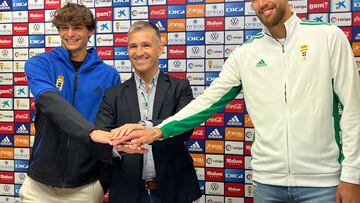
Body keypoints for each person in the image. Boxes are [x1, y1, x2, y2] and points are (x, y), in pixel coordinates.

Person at [108, 0, 360, 202]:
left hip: (323, 182)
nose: (263, 3)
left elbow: (353, 109)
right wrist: (157, 131)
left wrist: (352, 175)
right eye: (256, 0)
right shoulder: (246, 53)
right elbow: (207, 102)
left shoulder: (328, 37)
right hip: (267, 183)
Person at [90, 21, 201, 203]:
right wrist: (118, 148)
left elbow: (184, 129)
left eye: (146, 45)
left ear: (160, 48)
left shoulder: (180, 87)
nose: (139, 52)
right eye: (133, 46)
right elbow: (101, 139)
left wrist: (145, 127)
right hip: (127, 191)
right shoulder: (113, 94)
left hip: (174, 190)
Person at [20, 3, 121, 203]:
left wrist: (103, 180)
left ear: (91, 31)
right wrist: (90, 132)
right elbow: (50, 101)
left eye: (77, 27)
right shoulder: (40, 64)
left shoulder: (109, 75)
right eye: (64, 28)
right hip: (39, 183)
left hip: (87, 184)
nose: (70, 34)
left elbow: (111, 124)